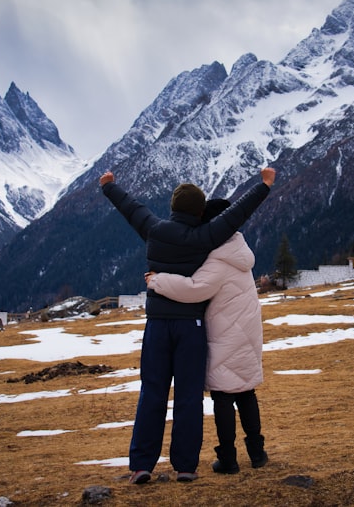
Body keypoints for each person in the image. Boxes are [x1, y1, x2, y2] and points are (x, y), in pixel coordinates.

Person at [100, 167, 275, 484]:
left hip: (157, 326)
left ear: (172, 209)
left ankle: (141, 465)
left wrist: (110, 187)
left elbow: (131, 208)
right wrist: (263, 186)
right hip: (190, 326)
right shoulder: (205, 237)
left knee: (152, 392)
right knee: (189, 397)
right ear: (199, 212)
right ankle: (185, 467)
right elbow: (237, 214)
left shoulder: (153, 229)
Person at [145, 199, 268, 475]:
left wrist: (157, 281)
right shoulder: (240, 252)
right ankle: (258, 453)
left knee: (223, 397)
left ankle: (228, 458)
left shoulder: (218, 260)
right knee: (246, 392)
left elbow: (194, 288)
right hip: (247, 331)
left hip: (226, 333)